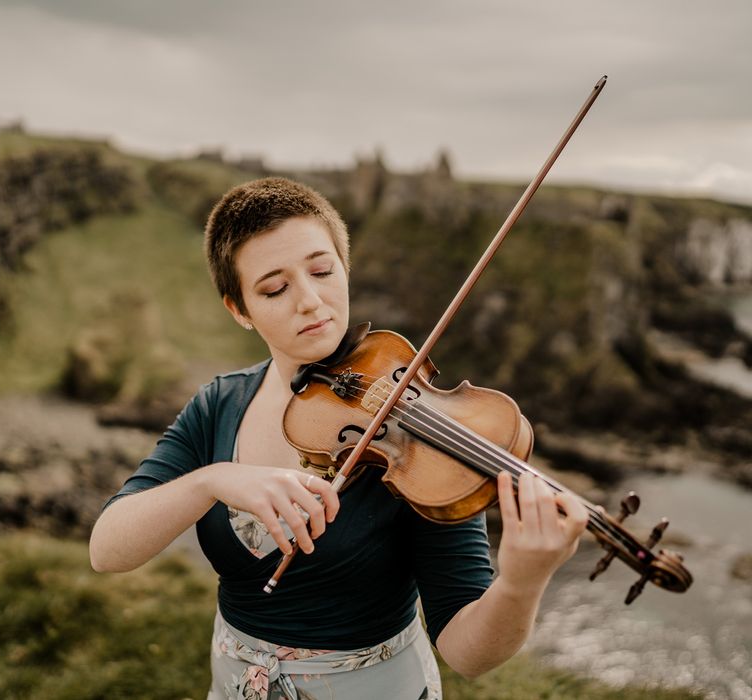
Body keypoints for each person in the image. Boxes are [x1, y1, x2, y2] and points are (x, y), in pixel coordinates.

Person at [89, 177, 588, 700]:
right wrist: (213, 481)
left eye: (323, 271)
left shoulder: (422, 439)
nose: (310, 301)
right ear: (239, 310)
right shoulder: (220, 404)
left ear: (345, 270)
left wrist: (520, 583)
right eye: (274, 288)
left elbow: (468, 652)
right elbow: (108, 550)